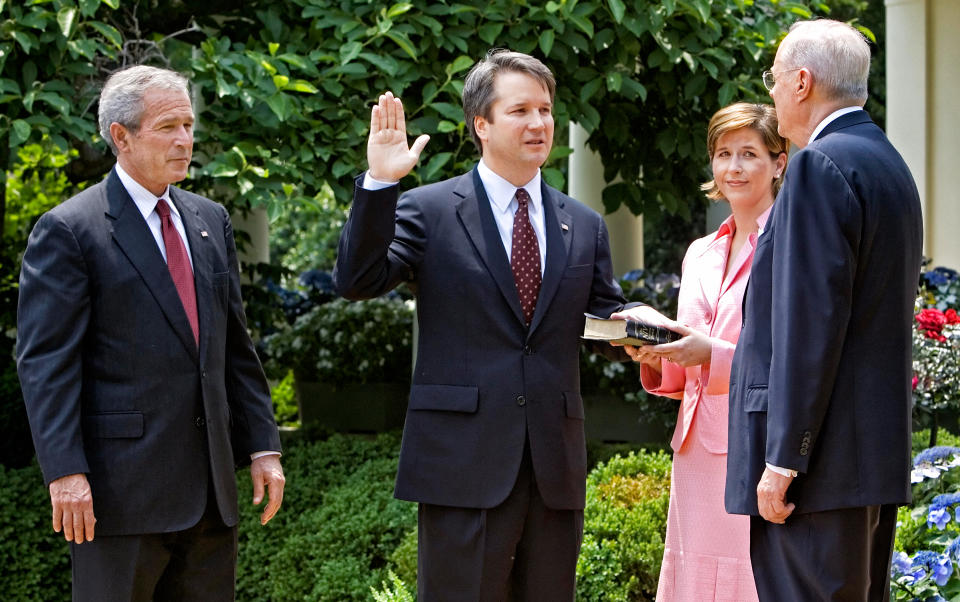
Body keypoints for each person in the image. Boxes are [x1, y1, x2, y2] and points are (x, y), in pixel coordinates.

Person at [333, 49, 631, 600]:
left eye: (545, 110)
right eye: (520, 111)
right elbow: (358, 279)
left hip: (553, 465)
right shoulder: (429, 209)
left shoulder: (582, 224)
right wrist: (378, 183)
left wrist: (640, 334)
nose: (539, 123)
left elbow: (600, 318)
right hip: (460, 463)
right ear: (482, 124)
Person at [16, 65, 285, 602]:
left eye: (188, 125)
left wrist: (263, 447)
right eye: (168, 127)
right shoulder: (70, 230)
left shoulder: (211, 220)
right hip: (121, 498)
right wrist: (65, 472)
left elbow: (234, 346)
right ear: (122, 137)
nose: (185, 139)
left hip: (211, 495)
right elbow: (46, 362)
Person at [723, 19, 923, 600]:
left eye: (775, 78)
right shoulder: (887, 162)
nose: (773, 92)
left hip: (819, 470)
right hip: (865, 460)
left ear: (803, 82)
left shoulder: (818, 164)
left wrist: (785, 459)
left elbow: (809, 326)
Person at [615, 103, 786, 601]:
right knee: (691, 578)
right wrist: (658, 356)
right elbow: (691, 350)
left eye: (749, 154)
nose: (733, 167)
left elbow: (793, 354)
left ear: (779, 162)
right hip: (692, 448)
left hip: (756, 442)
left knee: (748, 579)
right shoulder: (701, 251)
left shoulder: (791, 243)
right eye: (723, 153)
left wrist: (711, 354)